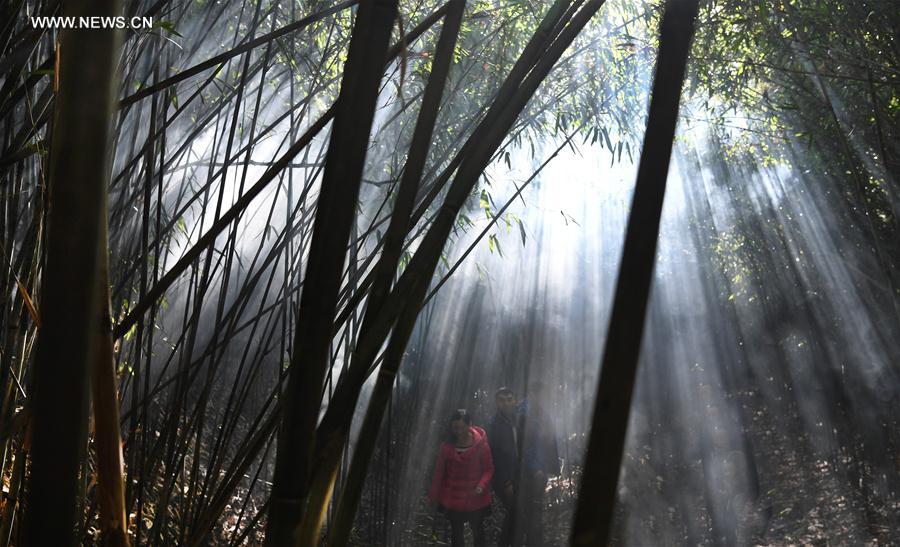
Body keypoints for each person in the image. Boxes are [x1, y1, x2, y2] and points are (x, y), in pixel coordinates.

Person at [428, 409, 494, 547]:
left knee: (478, 533)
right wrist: (433, 496)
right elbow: (439, 473)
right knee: (456, 534)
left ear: (469, 424)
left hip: (476, 498)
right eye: (455, 428)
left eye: (461, 427)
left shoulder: (481, 445)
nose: (458, 431)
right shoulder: (446, 447)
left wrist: (481, 486)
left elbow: (488, 469)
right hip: (453, 498)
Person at [516, 383, 560, 547]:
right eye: (541, 394)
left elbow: (549, 441)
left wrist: (551, 467)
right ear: (533, 394)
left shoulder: (542, 412)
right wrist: (535, 468)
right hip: (530, 472)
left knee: (535, 510)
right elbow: (523, 446)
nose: (544, 398)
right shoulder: (523, 413)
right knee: (531, 512)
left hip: (541, 470)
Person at [488, 387, 522, 547]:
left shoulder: (520, 420)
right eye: (502, 400)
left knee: (518, 514)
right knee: (515, 512)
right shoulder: (494, 425)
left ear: (515, 401)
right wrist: (506, 481)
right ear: (497, 402)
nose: (506, 403)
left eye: (509, 399)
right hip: (504, 477)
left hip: (521, 474)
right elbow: (496, 456)